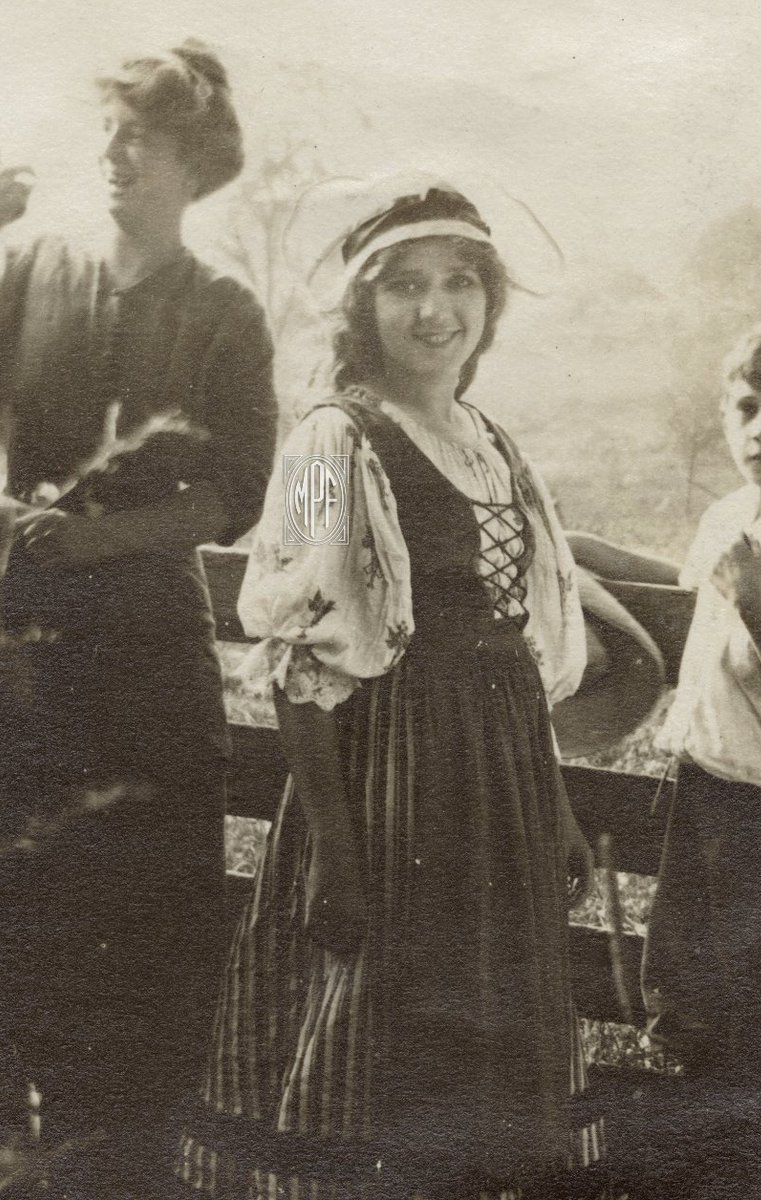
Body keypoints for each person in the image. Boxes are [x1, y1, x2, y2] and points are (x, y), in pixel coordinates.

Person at [177, 179, 604, 1200]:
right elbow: (291, 640)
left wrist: (552, 809)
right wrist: (333, 849)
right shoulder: (329, 444)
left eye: (460, 284)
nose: (435, 310)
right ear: (363, 306)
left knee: (487, 1062)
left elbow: (516, 653)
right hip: (385, 785)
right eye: (405, 285)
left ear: (488, 308)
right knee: (375, 1048)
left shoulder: (494, 446)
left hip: (494, 788)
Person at [0, 42, 277, 1197]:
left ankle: (123, 1166)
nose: (114, 153)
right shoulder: (29, 265)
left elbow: (239, 491)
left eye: (142, 137)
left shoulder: (223, 311)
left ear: (197, 165)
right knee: (8, 909)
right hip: (17, 650)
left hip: (144, 656)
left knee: (139, 925)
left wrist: (94, 538)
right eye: (109, 132)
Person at [571, 329, 761, 1094]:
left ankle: (757, 1165)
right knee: (685, 999)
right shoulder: (735, 514)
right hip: (706, 791)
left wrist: (755, 603)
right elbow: (694, 590)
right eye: (746, 408)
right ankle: (697, 1152)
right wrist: (591, 551)